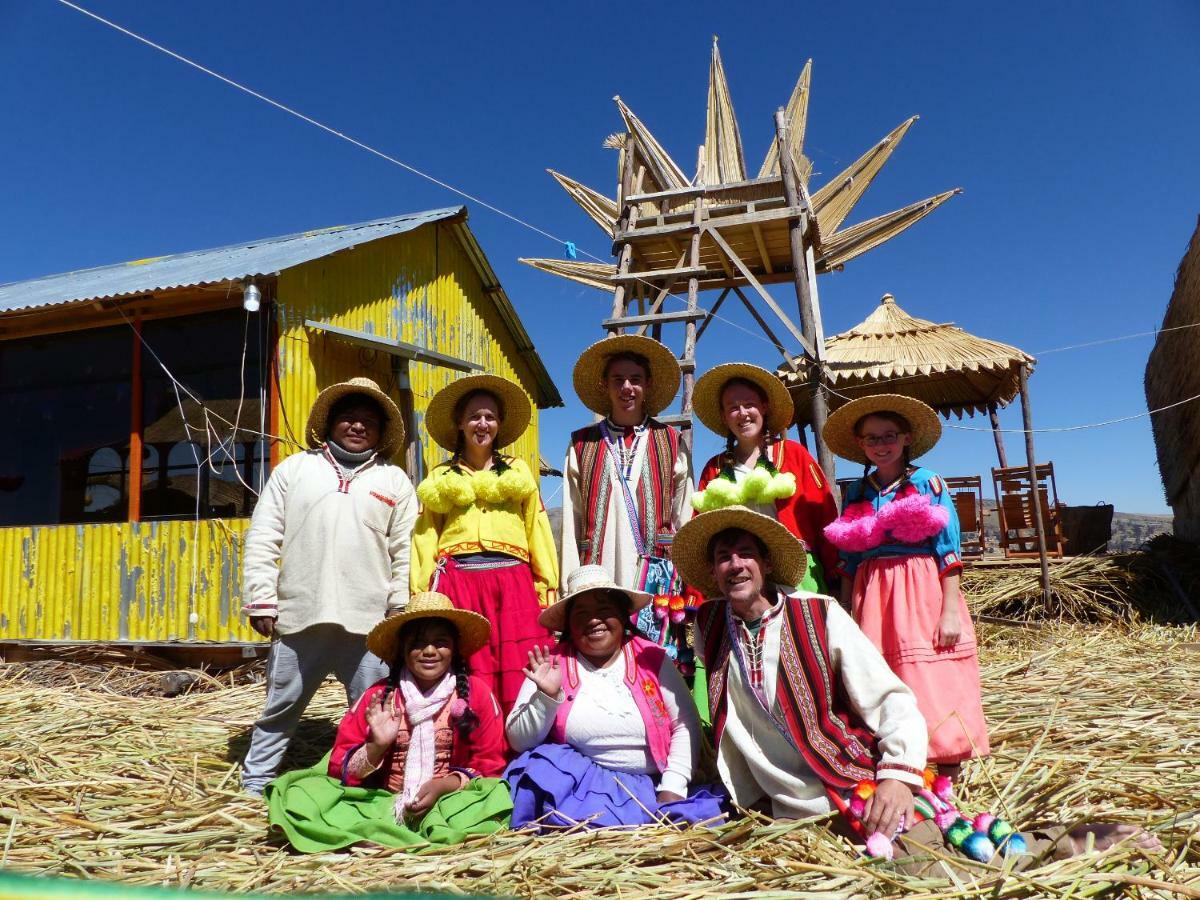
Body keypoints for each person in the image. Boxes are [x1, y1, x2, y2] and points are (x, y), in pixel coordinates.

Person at [673, 505, 1160, 871]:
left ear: (764, 563)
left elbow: (893, 698)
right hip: (779, 806)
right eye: (722, 558)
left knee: (938, 863)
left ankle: (1077, 841)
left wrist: (896, 776)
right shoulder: (711, 625)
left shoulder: (816, 613)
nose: (734, 565)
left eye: (744, 555)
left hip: (846, 780)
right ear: (713, 572)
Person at [240, 377, 418, 796]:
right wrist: (261, 598)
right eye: (349, 419)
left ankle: (362, 783)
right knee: (280, 706)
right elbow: (264, 535)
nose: (357, 427)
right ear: (331, 424)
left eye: (368, 422)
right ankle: (255, 783)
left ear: (380, 432)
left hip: (369, 622)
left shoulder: (395, 482)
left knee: (371, 711)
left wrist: (399, 607)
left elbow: (405, 551)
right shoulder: (295, 471)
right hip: (302, 616)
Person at [821, 394, 986, 780]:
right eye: (872, 438)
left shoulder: (927, 483)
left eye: (888, 435)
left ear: (907, 437)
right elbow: (850, 556)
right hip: (872, 590)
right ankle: (898, 752)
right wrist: (845, 608)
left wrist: (949, 610)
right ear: (861, 445)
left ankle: (943, 755)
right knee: (880, 671)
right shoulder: (858, 493)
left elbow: (949, 550)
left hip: (919, 586)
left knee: (928, 669)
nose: (881, 445)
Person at [265, 593, 511, 852]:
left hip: (451, 802)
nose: (429, 651)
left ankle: (380, 837)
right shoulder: (378, 697)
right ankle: (397, 831)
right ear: (402, 650)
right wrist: (376, 746)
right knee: (299, 794)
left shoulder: (477, 694)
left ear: (455, 650)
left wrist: (444, 785)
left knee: (495, 796)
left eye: (441, 643)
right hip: (382, 801)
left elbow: (489, 763)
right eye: (418, 644)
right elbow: (340, 767)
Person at [504, 565, 723, 830]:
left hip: (651, 787)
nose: (593, 620)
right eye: (581, 614)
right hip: (580, 788)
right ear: (568, 626)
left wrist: (673, 789)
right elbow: (519, 740)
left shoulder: (652, 660)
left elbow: (685, 724)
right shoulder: (552, 664)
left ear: (622, 616)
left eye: (604, 610)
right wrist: (547, 698)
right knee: (541, 762)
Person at [411, 374, 557, 715]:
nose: (482, 423)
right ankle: (471, 742)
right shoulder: (441, 476)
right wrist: (421, 593)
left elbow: (537, 525)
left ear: (499, 424)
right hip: (458, 583)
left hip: (514, 583)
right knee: (468, 664)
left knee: (521, 662)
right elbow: (425, 534)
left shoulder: (518, 473)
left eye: (490, 417)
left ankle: (518, 741)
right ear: (461, 424)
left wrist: (546, 587)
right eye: (475, 416)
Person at [561, 335, 695, 668]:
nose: (627, 387)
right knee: (599, 663)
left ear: (647, 385)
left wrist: (688, 580)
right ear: (605, 385)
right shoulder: (582, 444)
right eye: (618, 379)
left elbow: (685, 514)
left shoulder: (670, 442)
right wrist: (568, 586)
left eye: (635, 379)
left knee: (656, 667)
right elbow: (571, 518)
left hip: (657, 578)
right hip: (599, 570)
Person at [691, 362, 839, 592]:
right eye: (732, 407)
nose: (742, 414)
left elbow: (825, 517)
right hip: (738, 578)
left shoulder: (794, 455)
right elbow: (700, 532)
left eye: (749, 404)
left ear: (764, 406)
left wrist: (836, 575)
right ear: (723, 415)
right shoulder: (715, 469)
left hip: (797, 575)